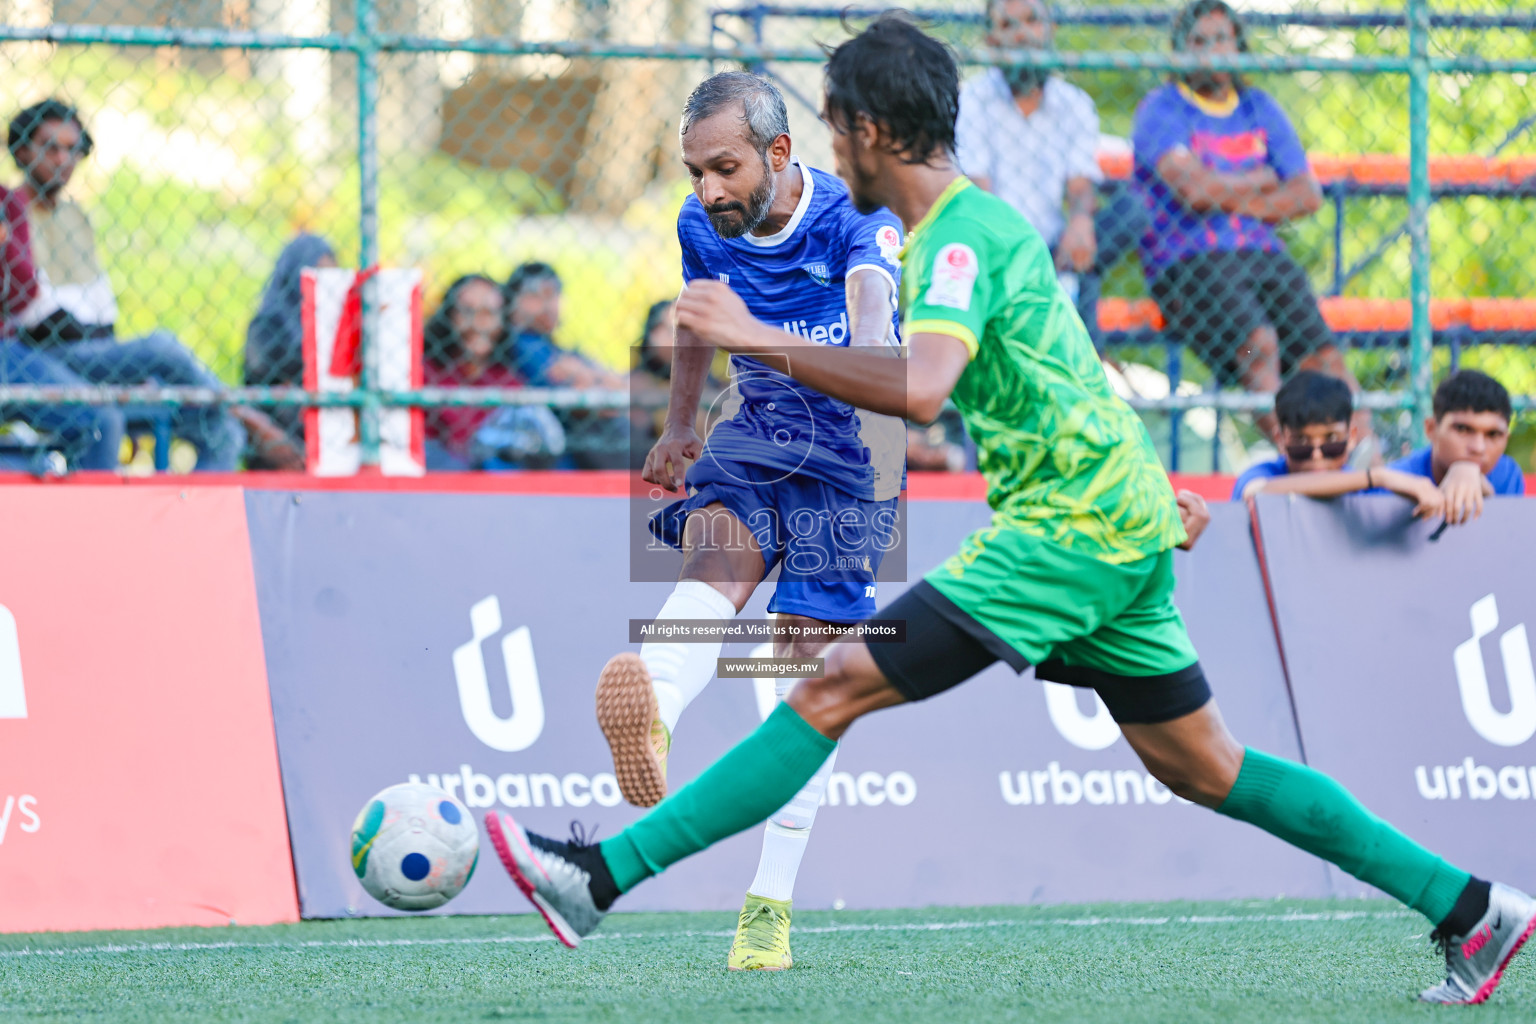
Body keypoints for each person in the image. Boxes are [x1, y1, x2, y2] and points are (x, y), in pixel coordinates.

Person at [486, 17, 1534, 1006]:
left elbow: (925, 385)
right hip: (1106, 513)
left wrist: (752, 334)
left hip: (1070, 527)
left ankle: (597, 876)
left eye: (837, 121)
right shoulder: (965, 225)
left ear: (872, 130)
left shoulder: (953, 238)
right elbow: (1062, 366)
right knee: (1205, 765)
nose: (833, 146)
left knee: (829, 687)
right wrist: (1148, 486)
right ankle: (1473, 908)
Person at [589, 70, 906, 971]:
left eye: (723, 168)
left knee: (806, 685)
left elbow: (879, 344)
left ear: (777, 154)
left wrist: (766, 337)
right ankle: (652, 708)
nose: (706, 190)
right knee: (713, 562)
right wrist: (681, 422)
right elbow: (697, 320)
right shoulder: (704, 227)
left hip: (854, 459)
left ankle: (769, 903)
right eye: (693, 171)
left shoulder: (857, 223)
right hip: (757, 430)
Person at [8, 98, 299, 470]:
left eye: (72, 149)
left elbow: (99, 304)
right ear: (22, 150)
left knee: (220, 430)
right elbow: (40, 314)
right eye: (50, 148)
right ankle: (245, 411)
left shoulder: (75, 216)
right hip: (45, 355)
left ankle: (196, 518)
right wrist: (119, 356)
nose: (62, 159)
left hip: (97, 352)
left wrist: (120, 362)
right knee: (160, 347)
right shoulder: (12, 211)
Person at [1132, 1, 1366, 444]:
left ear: (1239, 46)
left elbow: (1305, 194)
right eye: (1198, 41)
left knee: (1325, 357)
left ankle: (1369, 454)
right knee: (1258, 346)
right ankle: (1296, 454)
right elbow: (1194, 192)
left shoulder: (1258, 106)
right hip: (1191, 261)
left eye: (1221, 39)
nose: (1211, 51)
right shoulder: (1161, 108)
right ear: (1180, 51)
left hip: (1263, 255)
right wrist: (1260, 180)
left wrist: (1224, 190)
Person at [955, 0, 1148, 348]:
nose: (1023, 34)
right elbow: (978, 191)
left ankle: (1074, 330)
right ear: (991, 39)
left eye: (1033, 20)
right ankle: (1085, 362)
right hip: (999, 240)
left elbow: (1079, 182)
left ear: (1051, 29)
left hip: (1058, 247)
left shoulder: (1073, 102)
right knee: (1084, 280)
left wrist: (1080, 221)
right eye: (1008, 25)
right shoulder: (974, 100)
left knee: (1130, 211)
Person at [0, 181, 122, 469]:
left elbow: (23, 294)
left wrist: (3, 243)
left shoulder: (6, 201)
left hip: (7, 352)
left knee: (103, 422)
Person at [1232, 370, 1443, 514]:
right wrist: (1376, 476)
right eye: (1301, 442)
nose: (1316, 455)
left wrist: (1465, 471)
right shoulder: (1266, 474)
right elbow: (1255, 492)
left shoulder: (1362, 484)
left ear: (1351, 436)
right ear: (1281, 440)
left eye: (1331, 441)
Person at [421, 274, 554, 471]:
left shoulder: (509, 381)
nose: (478, 322)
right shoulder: (426, 374)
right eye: (468, 311)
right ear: (449, 317)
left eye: (489, 313)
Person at [244, 233, 335, 467]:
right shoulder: (266, 325)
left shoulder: (337, 326)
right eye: (317, 276)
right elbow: (266, 371)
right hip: (278, 434)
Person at [1386, 369, 1526, 518]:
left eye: (1493, 434)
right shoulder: (1394, 481)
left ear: (1506, 438)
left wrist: (1491, 499)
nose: (1478, 448)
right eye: (1463, 429)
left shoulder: (1507, 474)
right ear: (1431, 428)